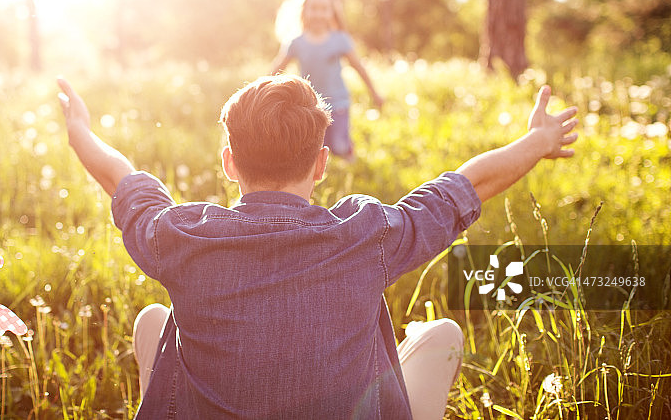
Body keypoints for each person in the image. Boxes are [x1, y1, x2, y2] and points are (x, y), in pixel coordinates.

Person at [57, 75, 578, 419]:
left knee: (154, 321)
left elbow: (122, 179)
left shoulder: (182, 239)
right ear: (322, 164)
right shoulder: (366, 234)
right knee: (439, 334)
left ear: (228, 163)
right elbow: (462, 187)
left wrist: (79, 130)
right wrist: (538, 141)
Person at [271, 0, 384, 159]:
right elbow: (277, 68)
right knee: (314, 149)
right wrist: (261, 94)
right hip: (310, 106)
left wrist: (374, 92)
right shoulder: (296, 43)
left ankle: (349, 161)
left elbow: (359, 67)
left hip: (338, 103)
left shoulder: (340, 40)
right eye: (313, 8)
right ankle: (322, 178)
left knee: (338, 147)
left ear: (332, 12)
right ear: (304, 11)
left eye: (324, 9)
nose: (318, 14)